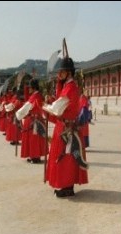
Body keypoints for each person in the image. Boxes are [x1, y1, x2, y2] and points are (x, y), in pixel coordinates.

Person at [42, 44, 88, 198]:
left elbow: (57, 109)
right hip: (65, 127)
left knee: (66, 158)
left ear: (68, 73)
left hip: (67, 129)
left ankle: (67, 186)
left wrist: (46, 106)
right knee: (64, 157)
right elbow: (60, 105)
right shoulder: (67, 87)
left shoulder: (70, 88)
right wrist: (52, 101)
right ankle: (65, 185)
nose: (59, 74)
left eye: (61, 71)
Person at [16, 79, 47, 164]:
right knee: (33, 139)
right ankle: (33, 155)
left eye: (30, 87)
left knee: (34, 140)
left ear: (33, 88)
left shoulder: (35, 96)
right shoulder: (36, 95)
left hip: (34, 121)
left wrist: (18, 114)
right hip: (34, 119)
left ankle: (35, 157)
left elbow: (27, 106)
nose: (29, 89)